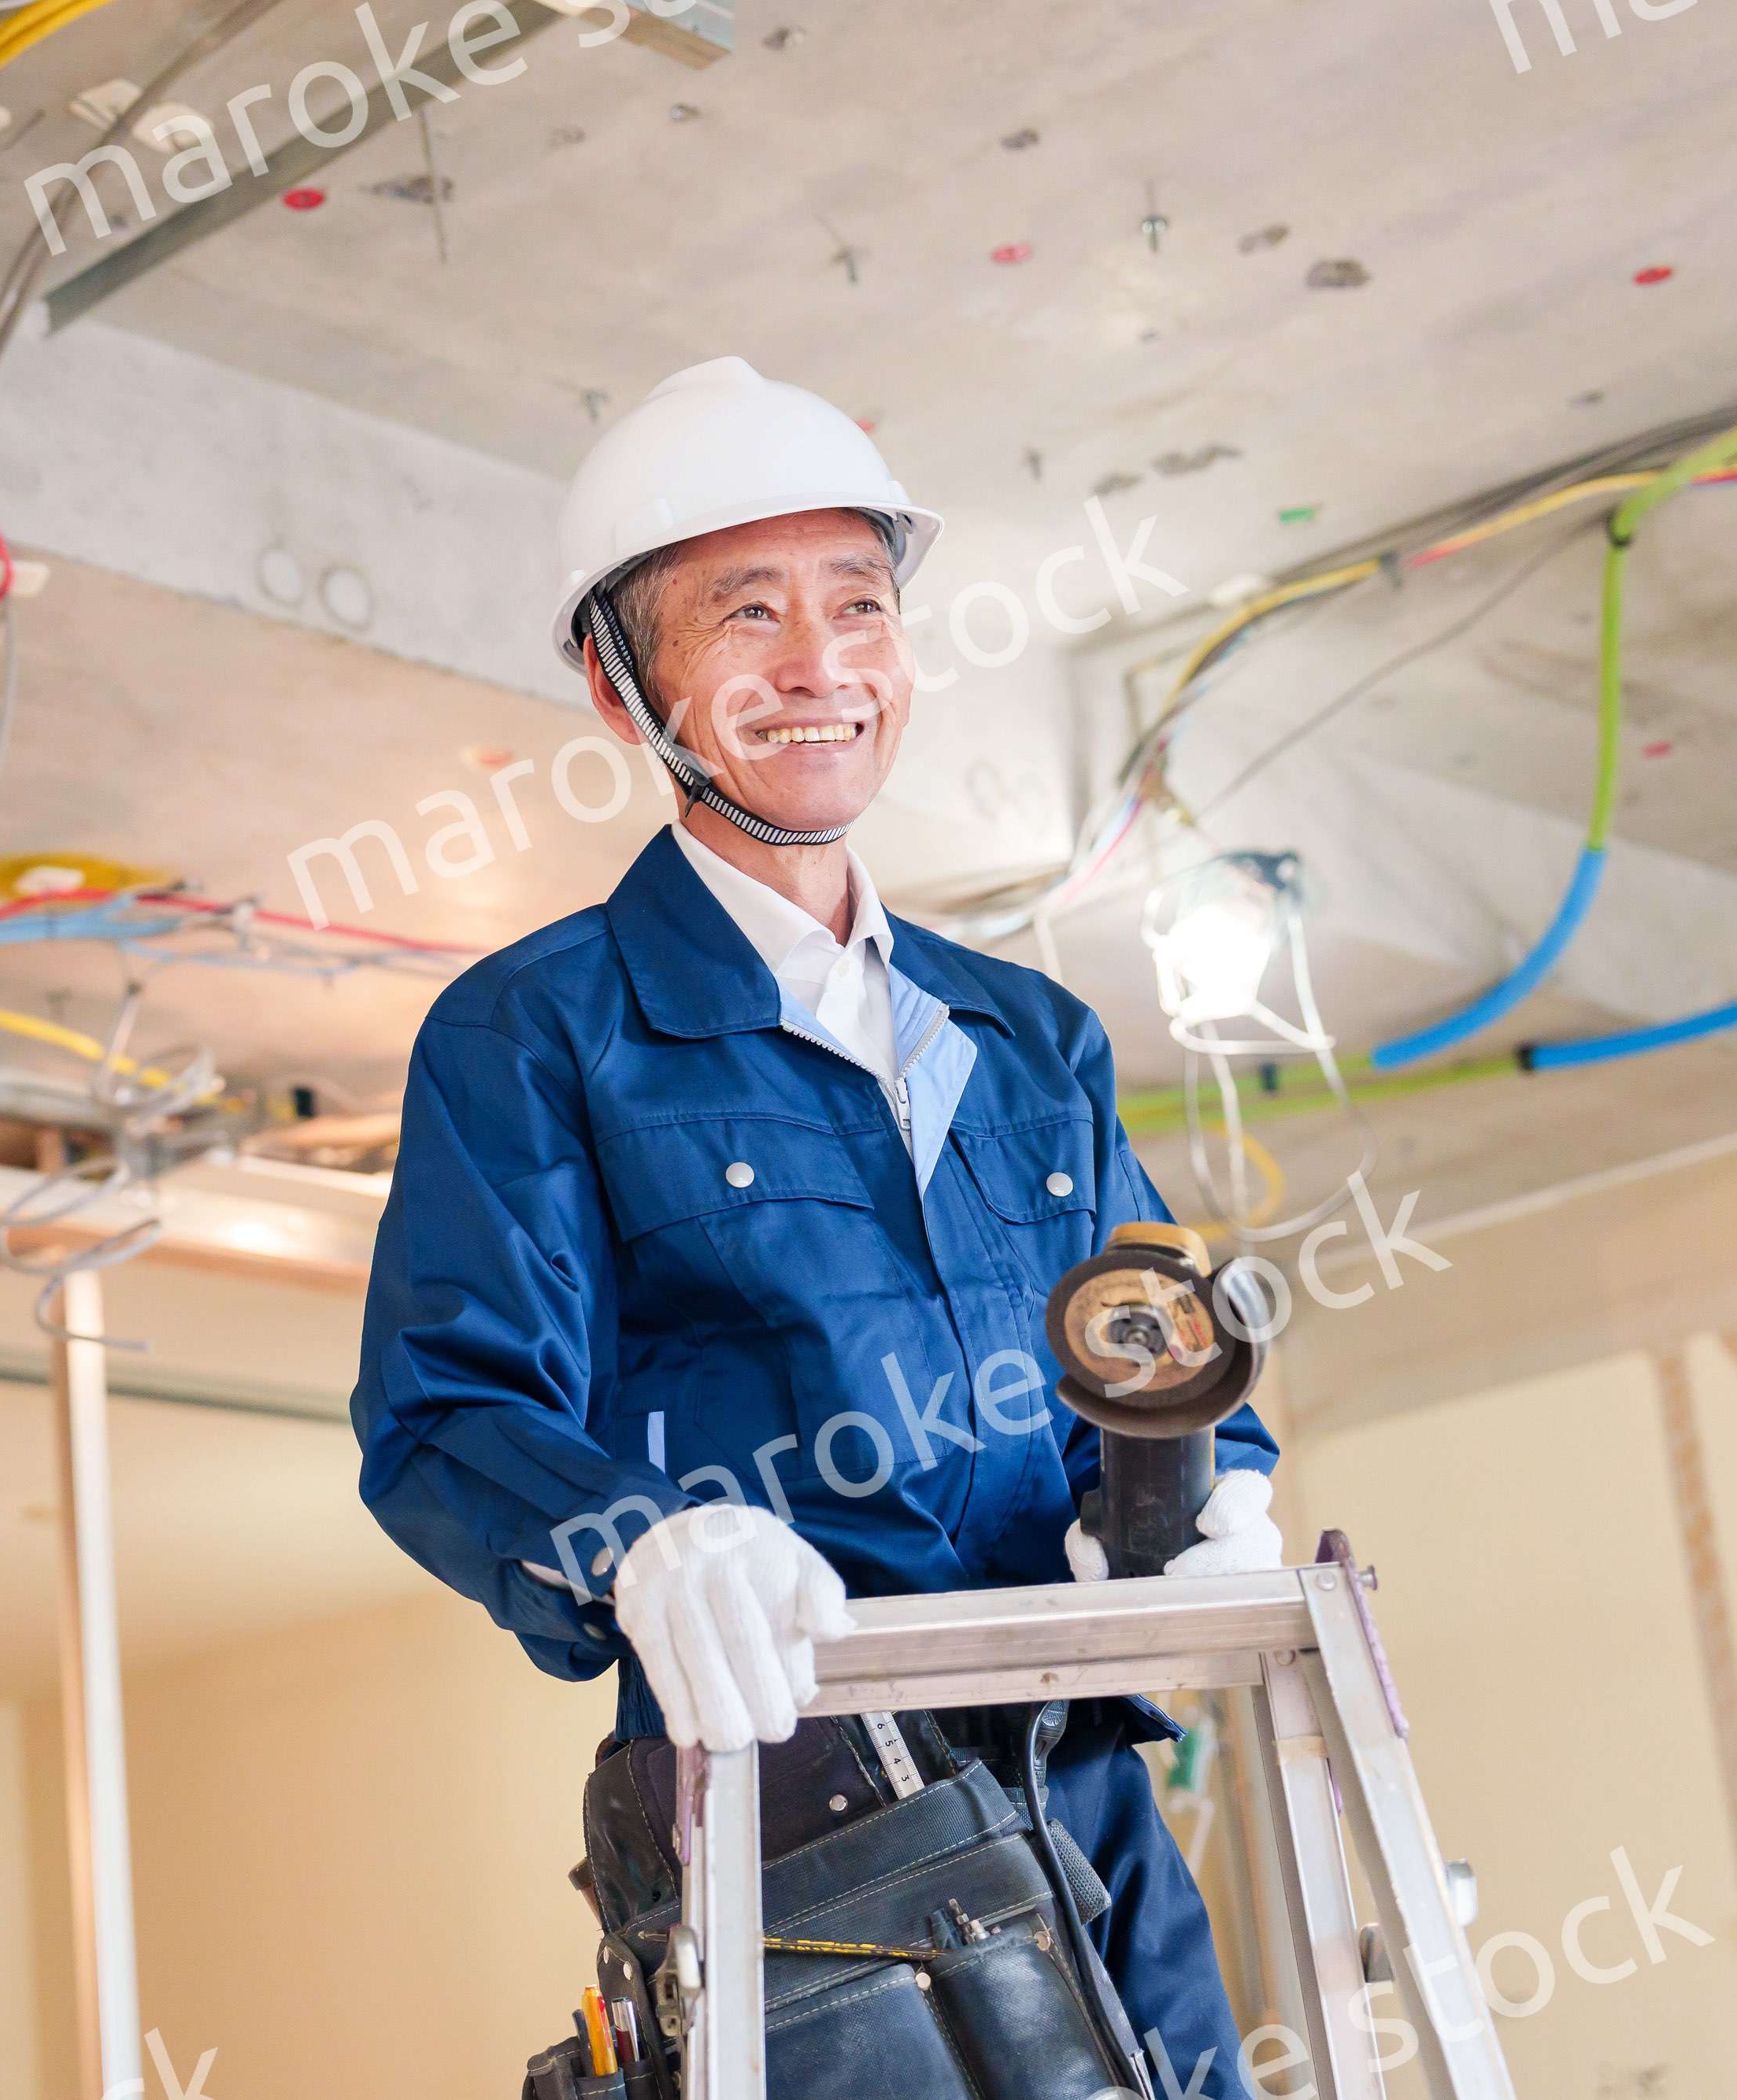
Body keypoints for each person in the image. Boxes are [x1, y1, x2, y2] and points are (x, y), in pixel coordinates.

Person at [350, 357, 1282, 2096]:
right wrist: (636, 1540)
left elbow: (1147, 1340)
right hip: (805, 1834)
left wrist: (1210, 1487)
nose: (819, 665)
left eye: (858, 605)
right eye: (747, 614)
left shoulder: (1026, 1035)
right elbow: (439, 1415)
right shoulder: (540, 1030)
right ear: (619, 682)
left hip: (1089, 1790)